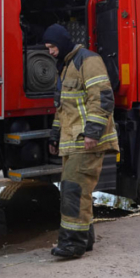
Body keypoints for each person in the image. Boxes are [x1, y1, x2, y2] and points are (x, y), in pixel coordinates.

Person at [43, 24, 118, 259]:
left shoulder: (88, 60)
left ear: (63, 43)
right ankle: (84, 239)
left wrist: (92, 133)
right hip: (73, 141)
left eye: (52, 47)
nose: (50, 52)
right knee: (78, 190)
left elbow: (102, 97)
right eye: (47, 48)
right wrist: (55, 136)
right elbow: (63, 109)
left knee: (73, 191)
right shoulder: (65, 68)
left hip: (86, 141)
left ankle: (72, 244)